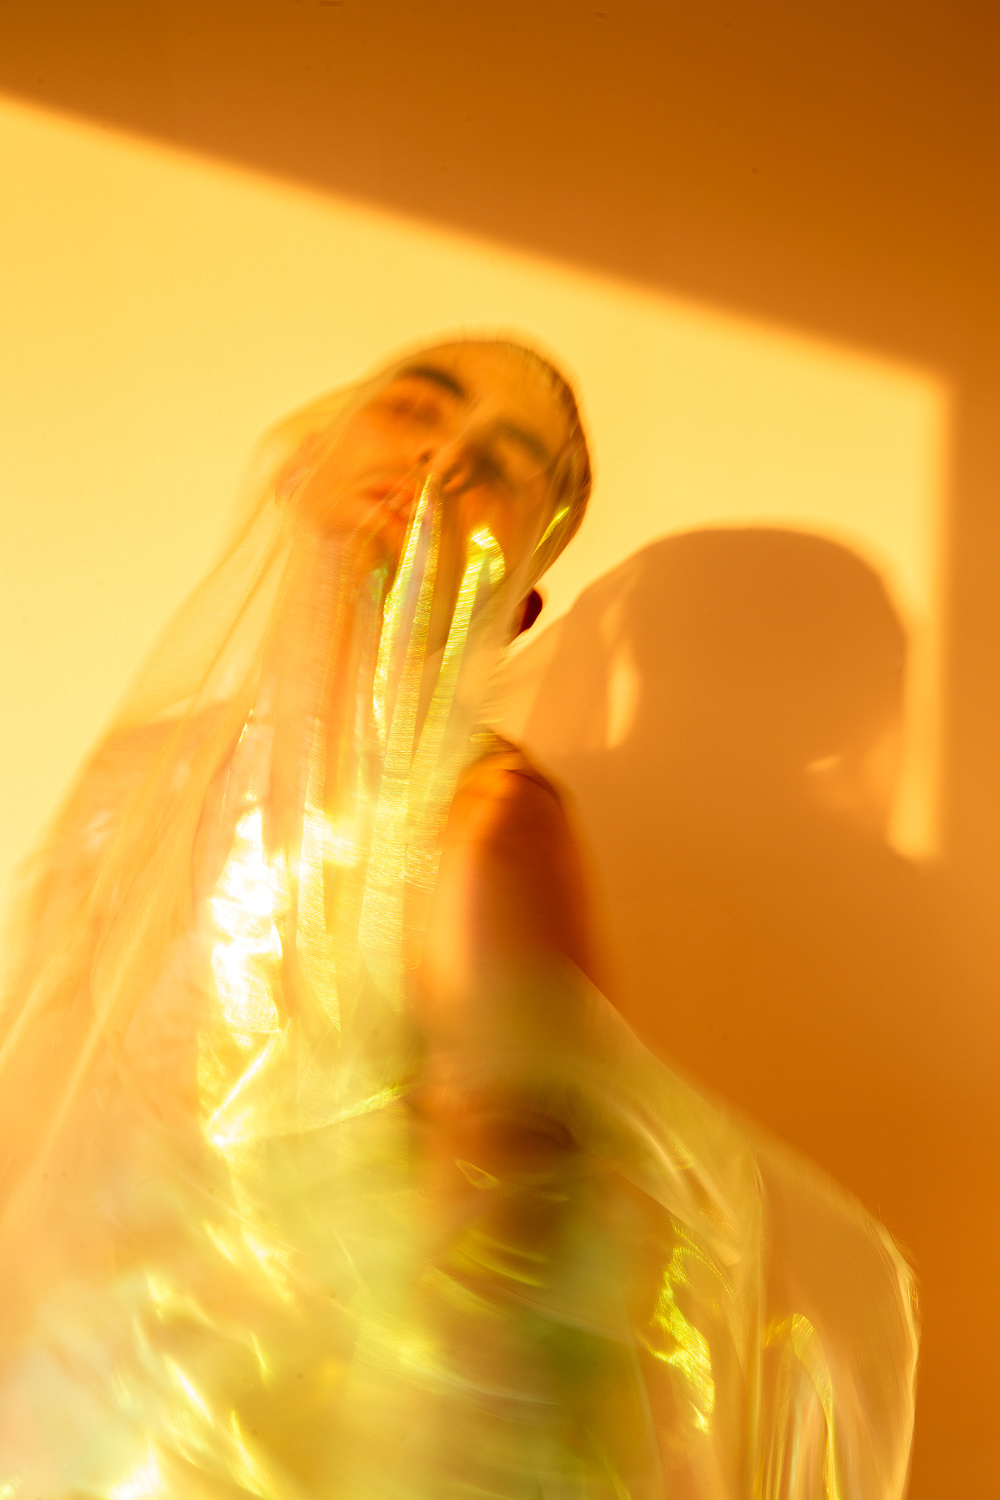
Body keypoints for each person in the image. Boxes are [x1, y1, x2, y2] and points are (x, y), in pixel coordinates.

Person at [0, 338, 916, 1498]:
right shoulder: (136, 785)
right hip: (73, 1405)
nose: (444, 458)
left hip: (310, 1448)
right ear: (301, 467)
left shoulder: (480, 820)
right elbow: (42, 1103)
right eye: (414, 408)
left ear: (519, 599)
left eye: (504, 464)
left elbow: (513, 1219)